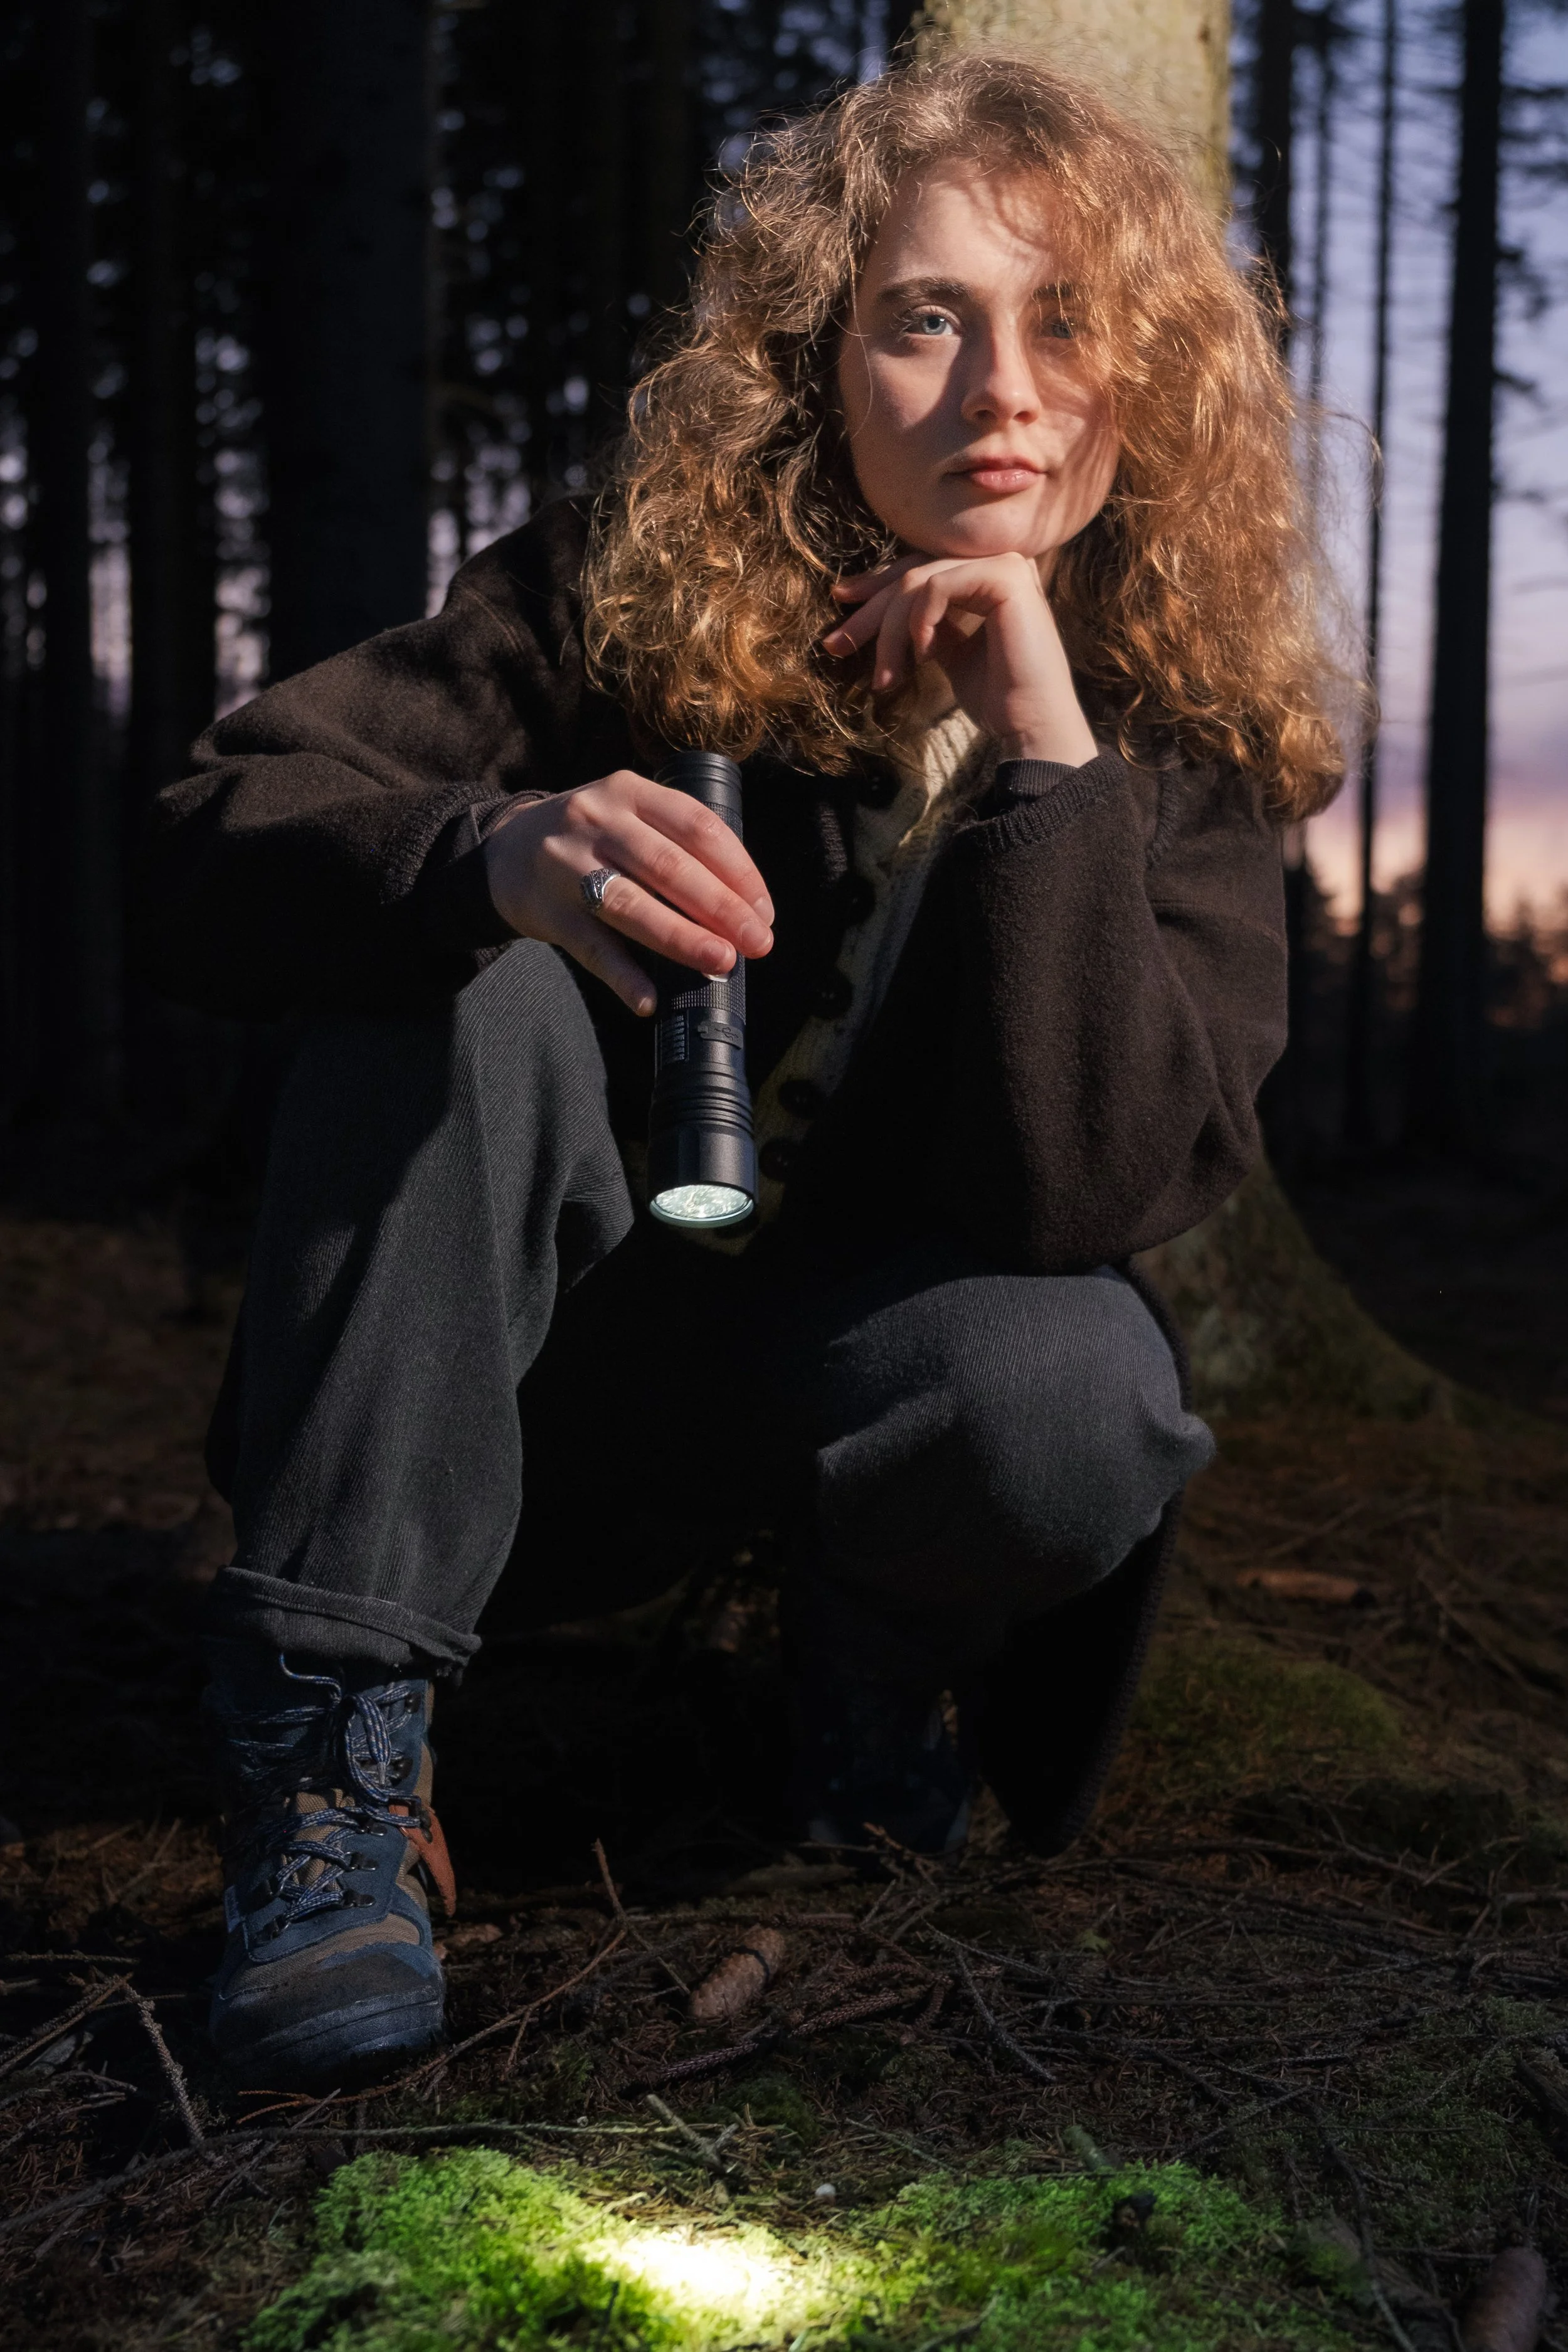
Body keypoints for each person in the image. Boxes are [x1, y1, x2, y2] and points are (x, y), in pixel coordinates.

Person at [136, 49, 1342, 2089]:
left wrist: (1046, 767)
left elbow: (1099, 1195)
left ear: (1149, 381)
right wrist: (482, 853)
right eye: (924, 318)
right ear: (819, 358)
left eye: (1067, 324)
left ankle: (871, 1686)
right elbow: (207, 833)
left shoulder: (1174, 738)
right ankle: (329, 1779)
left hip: (858, 1397)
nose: (1003, 390)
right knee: (487, 980)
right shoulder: (607, 592)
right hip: (519, 1394)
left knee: (1073, 1385)